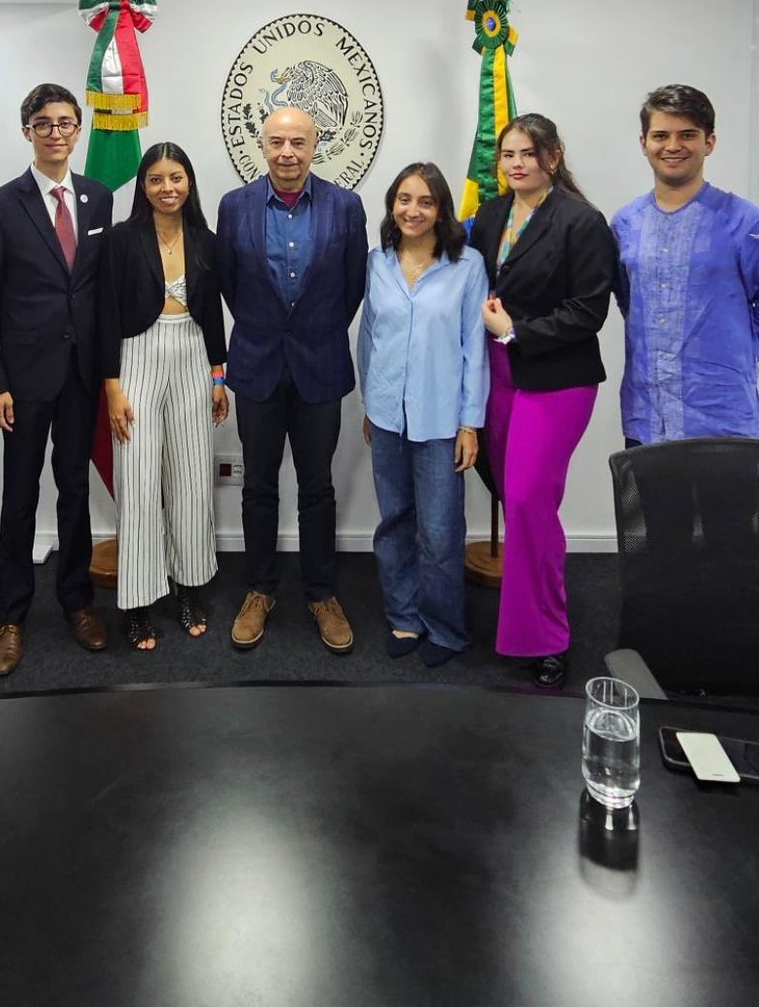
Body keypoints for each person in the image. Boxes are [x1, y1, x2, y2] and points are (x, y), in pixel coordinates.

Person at [470, 114, 617, 689]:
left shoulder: (581, 222)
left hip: (555, 380)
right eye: (507, 155)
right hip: (497, 374)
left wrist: (516, 332)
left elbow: (589, 311)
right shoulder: (489, 215)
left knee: (529, 501)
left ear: (553, 157)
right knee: (514, 498)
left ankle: (550, 637)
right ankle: (528, 616)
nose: (515, 164)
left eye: (527, 153)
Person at [0, 83, 114, 677]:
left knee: (76, 493)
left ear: (79, 129)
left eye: (65, 122)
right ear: (26, 130)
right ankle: (11, 614)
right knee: (22, 498)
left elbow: (97, 290)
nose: (56, 132)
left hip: (81, 374)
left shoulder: (99, 197)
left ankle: (77, 600)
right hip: (23, 380)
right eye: (43, 123)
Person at [216, 107, 368, 653]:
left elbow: (353, 288)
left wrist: (311, 330)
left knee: (317, 487)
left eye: (298, 142)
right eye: (277, 141)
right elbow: (230, 286)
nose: (287, 152)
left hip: (319, 365)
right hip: (257, 365)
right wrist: (268, 329)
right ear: (262, 144)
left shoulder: (346, 207)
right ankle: (260, 589)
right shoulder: (234, 207)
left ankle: (321, 592)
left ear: (315, 145)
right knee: (257, 485)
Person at [613, 83, 759, 446]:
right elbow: (629, 299)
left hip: (721, 415)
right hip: (647, 416)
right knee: (652, 505)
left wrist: (730, 353)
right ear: (643, 143)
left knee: (728, 505)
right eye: (660, 135)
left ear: (709, 142)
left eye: (687, 135)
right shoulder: (625, 224)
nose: (672, 146)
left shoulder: (745, 224)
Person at [98, 144, 228, 650]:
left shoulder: (205, 240)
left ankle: (189, 587)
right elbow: (105, 313)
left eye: (176, 177)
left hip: (194, 355)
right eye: (156, 179)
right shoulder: (120, 240)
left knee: (193, 479)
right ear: (143, 185)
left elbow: (214, 313)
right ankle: (137, 602)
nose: (167, 188)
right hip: (137, 359)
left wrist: (219, 375)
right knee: (138, 481)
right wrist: (112, 386)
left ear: (189, 182)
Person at [358, 163, 488, 666]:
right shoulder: (377, 263)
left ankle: (445, 628)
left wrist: (469, 423)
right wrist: (372, 403)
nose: (413, 210)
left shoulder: (467, 266)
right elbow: (368, 336)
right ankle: (405, 618)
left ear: (441, 210)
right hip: (388, 414)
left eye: (426, 201)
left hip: (441, 419)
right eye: (404, 199)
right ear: (392, 205)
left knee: (439, 530)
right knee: (394, 521)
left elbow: (474, 349)